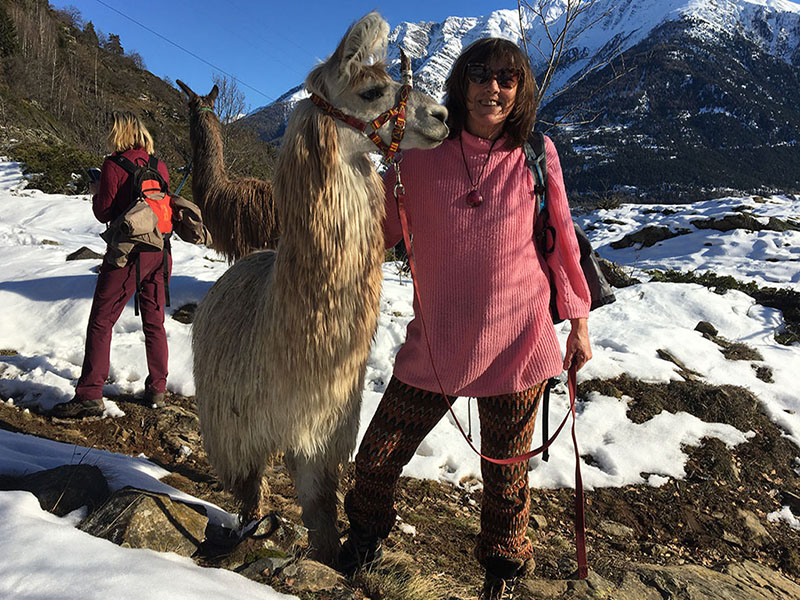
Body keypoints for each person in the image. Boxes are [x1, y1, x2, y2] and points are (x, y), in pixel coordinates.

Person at [338, 38, 592, 599]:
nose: (493, 87)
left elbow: (562, 244)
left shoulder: (534, 155)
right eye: (481, 73)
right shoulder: (416, 155)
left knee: (507, 483)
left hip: (520, 343)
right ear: (462, 81)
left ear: (520, 89)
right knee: (376, 460)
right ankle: (365, 545)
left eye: (507, 77)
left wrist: (577, 323)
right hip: (437, 345)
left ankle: (500, 582)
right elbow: (370, 233)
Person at [50, 112, 172, 418]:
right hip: (160, 251)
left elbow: (104, 212)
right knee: (155, 322)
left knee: (102, 320)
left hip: (127, 254)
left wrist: (95, 191)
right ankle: (158, 390)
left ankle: (90, 393)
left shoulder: (114, 165)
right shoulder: (160, 167)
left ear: (120, 134)